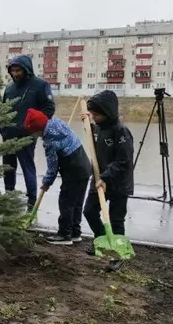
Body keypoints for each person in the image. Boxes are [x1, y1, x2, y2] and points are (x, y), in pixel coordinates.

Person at [83, 90, 135, 272]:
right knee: (89, 211)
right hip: (99, 179)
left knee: (116, 219)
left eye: (96, 114)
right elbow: (95, 143)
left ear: (107, 112)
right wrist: (88, 125)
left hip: (118, 182)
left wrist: (106, 177)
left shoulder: (121, 132)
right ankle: (101, 239)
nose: (94, 117)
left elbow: (124, 161)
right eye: (92, 114)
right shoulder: (98, 127)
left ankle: (118, 255)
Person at [24, 108, 91, 246]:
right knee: (76, 203)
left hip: (73, 169)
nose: (35, 136)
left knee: (66, 203)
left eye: (34, 133)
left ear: (38, 130)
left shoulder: (50, 142)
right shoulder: (56, 122)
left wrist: (46, 182)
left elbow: (53, 167)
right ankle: (75, 233)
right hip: (84, 165)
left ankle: (64, 235)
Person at [0, 55, 56, 210]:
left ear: (26, 69)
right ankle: (9, 196)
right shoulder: (9, 88)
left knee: (27, 167)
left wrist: (34, 127)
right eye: (13, 71)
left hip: (27, 135)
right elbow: (2, 110)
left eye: (18, 70)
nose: (15, 74)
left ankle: (31, 200)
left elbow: (49, 108)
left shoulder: (40, 85)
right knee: (8, 168)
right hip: (8, 134)